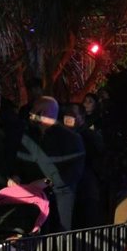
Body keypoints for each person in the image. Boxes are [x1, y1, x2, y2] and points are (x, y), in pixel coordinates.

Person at [15, 96, 86, 232]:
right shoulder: (29, 134)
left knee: (59, 236)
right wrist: (16, 175)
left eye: (34, 111)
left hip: (60, 198)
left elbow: (73, 172)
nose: (31, 114)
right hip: (33, 195)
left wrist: (47, 182)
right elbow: (21, 159)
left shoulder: (70, 138)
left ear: (44, 113)